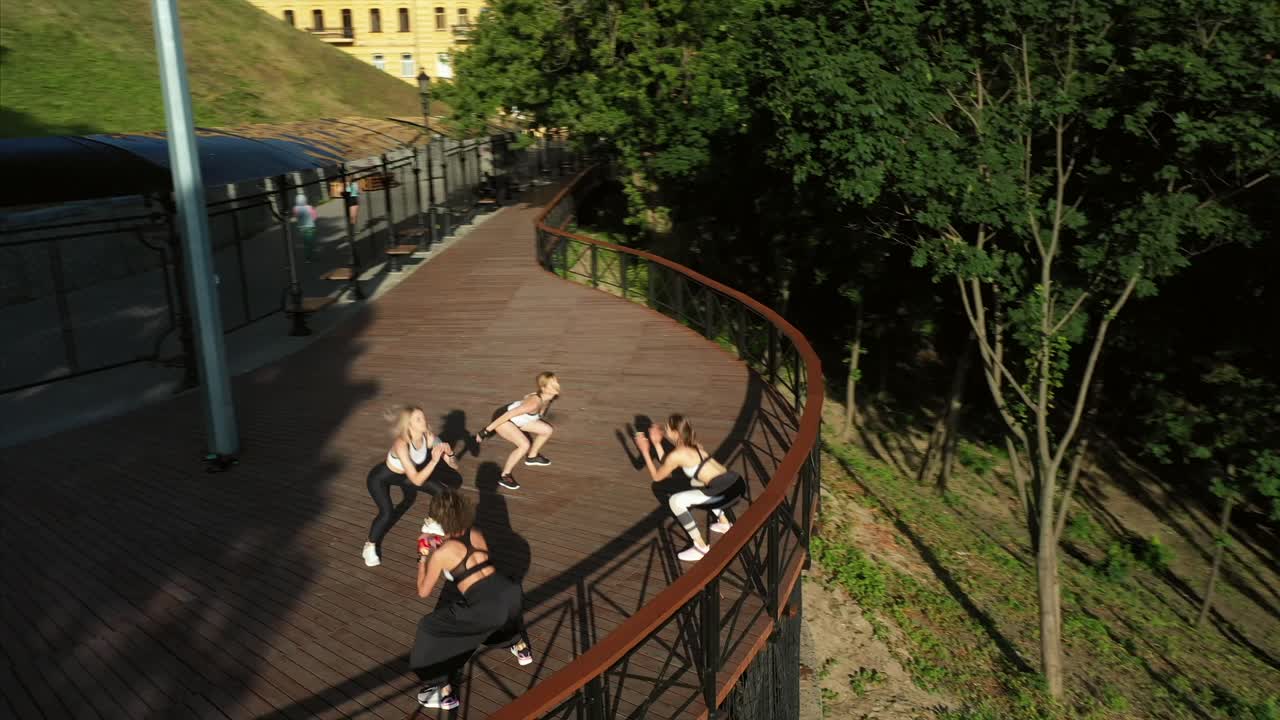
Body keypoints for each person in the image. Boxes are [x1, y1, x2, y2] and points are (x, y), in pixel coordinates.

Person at [410, 491, 532, 710]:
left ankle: (442, 691)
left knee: (429, 628)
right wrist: (438, 543)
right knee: (495, 616)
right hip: (511, 592)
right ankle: (519, 645)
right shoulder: (475, 531)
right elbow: (462, 550)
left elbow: (423, 591)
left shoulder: (441, 554)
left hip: (487, 607)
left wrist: (423, 556)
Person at [634, 414, 744, 562]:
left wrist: (645, 451)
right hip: (735, 483)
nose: (665, 432)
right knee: (696, 482)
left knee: (675, 501)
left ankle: (700, 547)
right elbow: (668, 463)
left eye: (667, 429)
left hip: (725, 492)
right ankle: (724, 522)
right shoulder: (694, 446)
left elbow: (657, 477)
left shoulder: (678, 454)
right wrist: (657, 444)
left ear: (676, 432)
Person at [363, 405, 458, 567]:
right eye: (418, 419)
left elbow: (454, 465)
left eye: (423, 416)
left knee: (443, 492)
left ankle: (432, 521)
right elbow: (417, 481)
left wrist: (450, 454)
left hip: (405, 476)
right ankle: (369, 546)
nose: (424, 420)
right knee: (386, 513)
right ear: (409, 424)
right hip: (381, 478)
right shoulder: (401, 444)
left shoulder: (429, 438)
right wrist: (434, 461)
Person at [474, 371, 560, 490]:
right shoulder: (534, 403)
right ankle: (505, 476)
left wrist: (527, 397)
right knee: (524, 445)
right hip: (505, 420)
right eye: (552, 384)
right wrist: (485, 432)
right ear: (543, 388)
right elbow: (508, 414)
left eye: (556, 382)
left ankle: (532, 457)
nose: (557, 385)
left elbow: (526, 397)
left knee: (547, 430)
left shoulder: (548, 398)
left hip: (520, 420)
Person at [291, 192, 318, 261]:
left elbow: (296, 216)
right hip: (310, 227)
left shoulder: (295, 208)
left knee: (305, 243)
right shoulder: (310, 207)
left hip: (301, 228)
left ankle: (308, 257)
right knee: (310, 242)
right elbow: (315, 217)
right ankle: (310, 255)